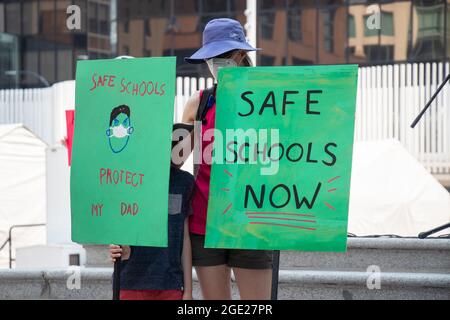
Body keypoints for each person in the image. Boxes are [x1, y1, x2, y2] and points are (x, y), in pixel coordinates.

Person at [182, 18, 273, 300]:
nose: (216, 62)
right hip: (204, 222)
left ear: (241, 55)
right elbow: (173, 157)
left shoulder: (267, 100)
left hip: (251, 220)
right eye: (211, 57)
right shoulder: (198, 103)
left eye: (223, 55)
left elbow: (285, 157)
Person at [109, 123, 195, 300]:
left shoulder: (184, 182)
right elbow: (118, 224)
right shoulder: (128, 179)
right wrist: (115, 247)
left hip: (170, 283)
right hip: (131, 281)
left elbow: (185, 237)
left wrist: (188, 291)